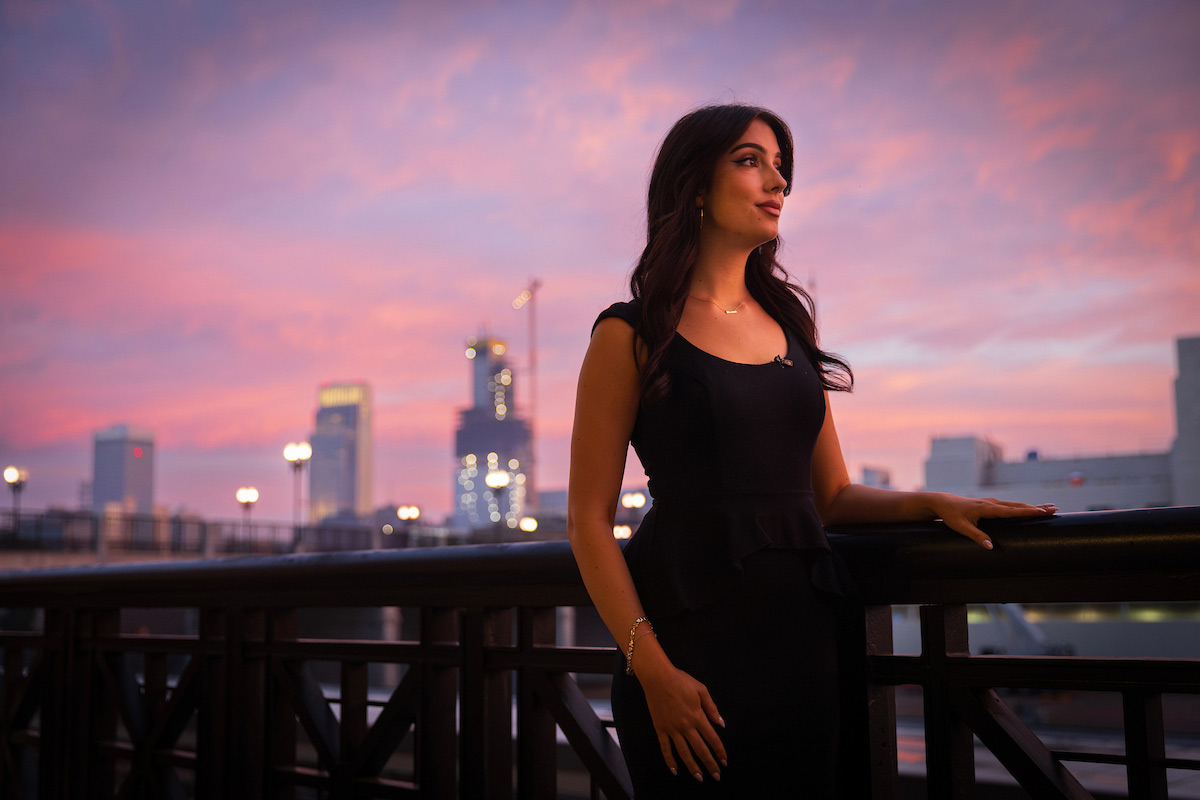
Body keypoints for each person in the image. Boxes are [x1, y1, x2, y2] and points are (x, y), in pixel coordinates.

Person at [566, 104, 1056, 798]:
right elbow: (588, 521)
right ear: (695, 187)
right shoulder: (629, 334)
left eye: (781, 168)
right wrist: (653, 670)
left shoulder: (790, 324)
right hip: (688, 658)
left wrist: (935, 502)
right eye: (750, 160)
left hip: (807, 646)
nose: (777, 182)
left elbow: (831, 496)